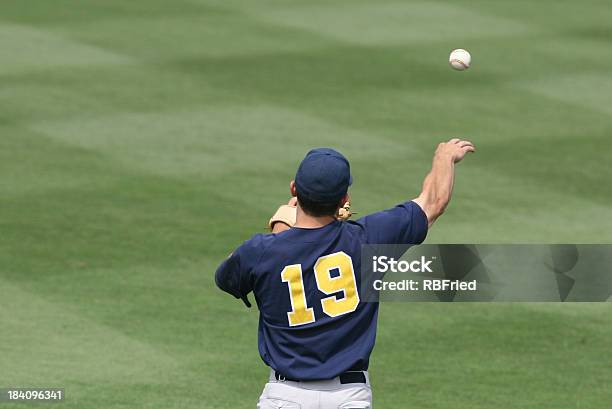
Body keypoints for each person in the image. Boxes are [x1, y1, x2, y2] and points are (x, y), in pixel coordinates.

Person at [215, 139, 475, 408]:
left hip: (284, 396)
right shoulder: (370, 239)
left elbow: (227, 277)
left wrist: (281, 229)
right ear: (344, 200)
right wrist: (443, 157)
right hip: (348, 398)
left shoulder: (260, 251)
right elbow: (433, 202)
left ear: (294, 189)